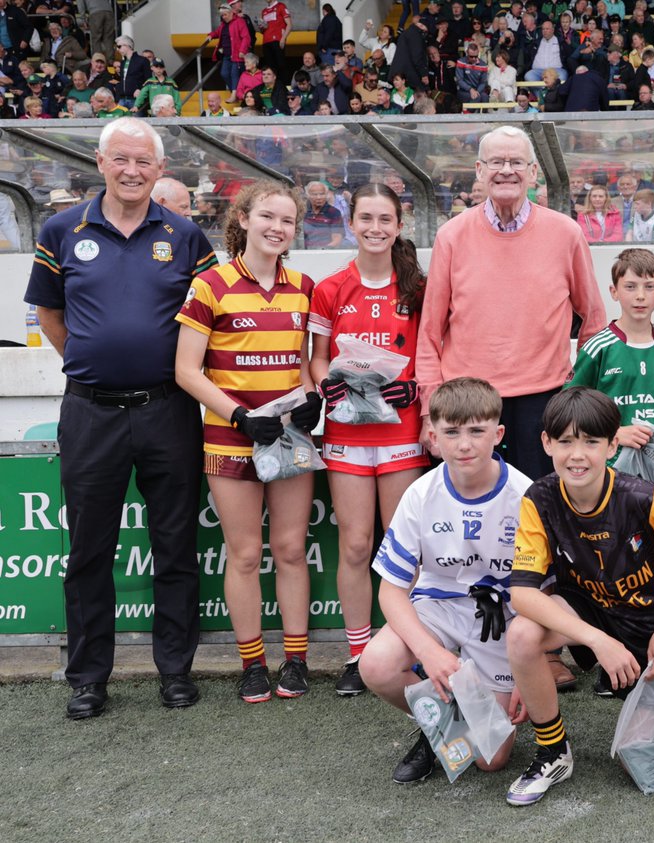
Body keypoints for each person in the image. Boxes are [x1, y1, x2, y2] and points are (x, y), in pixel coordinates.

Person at [24, 117, 218, 719]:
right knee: (87, 550)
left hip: (169, 411)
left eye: (144, 162)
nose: (132, 171)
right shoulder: (61, 229)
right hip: (90, 413)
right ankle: (87, 677)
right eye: (121, 160)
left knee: (175, 544)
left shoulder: (186, 236)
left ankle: (175, 671)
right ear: (101, 163)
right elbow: (51, 318)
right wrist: (95, 362)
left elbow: (208, 324)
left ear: (160, 170)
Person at [504, 387, 654, 806]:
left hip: (645, 624)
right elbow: (522, 593)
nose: (578, 455)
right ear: (546, 443)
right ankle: (553, 751)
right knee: (522, 635)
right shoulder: (539, 498)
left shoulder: (644, 496)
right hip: (587, 610)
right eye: (565, 442)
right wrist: (597, 639)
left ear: (613, 445)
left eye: (591, 442)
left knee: (646, 764)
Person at [175, 179, 323, 704]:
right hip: (231, 439)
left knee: (288, 549)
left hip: (288, 440)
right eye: (267, 217)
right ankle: (252, 662)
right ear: (242, 219)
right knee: (242, 554)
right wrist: (239, 417)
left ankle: (297, 660)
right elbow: (186, 371)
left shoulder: (305, 286)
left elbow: (300, 363)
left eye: (287, 220)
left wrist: (312, 397)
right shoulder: (211, 285)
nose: (277, 228)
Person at [359, 377, 530, 782]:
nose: (464, 444)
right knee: (377, 664)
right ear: (433, 437)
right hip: (438, 609)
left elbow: (545, 593)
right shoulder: (420, 494)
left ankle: (443, 721)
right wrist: (427, 651)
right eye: (451, 433)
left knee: (492, 759)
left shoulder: (525, 494)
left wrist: (530, 667)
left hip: (501, 620)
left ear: (498, 433)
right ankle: (434, 725)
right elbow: (391, 589)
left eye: (476, 431)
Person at [416, 125, 606, 482]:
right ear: (479, 171)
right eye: (497, 161)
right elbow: (429, 333)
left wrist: (578, 391)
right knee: (470, 514)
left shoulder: (566, 233)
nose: (506, 170)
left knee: (538, 509)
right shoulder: (451, 236)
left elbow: (593, 318)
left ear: (533, 172)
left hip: (544, 401)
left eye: (517, 161)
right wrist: (430, 409)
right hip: (467, 403)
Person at [308, 183, 430, 696]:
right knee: (357, 545)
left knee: (404, 548)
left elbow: (430, 355)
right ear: (350, 223)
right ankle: (358, 654)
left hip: (402, 432)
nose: (376, 228)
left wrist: (415, 388)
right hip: (347, 434)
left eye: (386, 219)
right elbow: (315, 359)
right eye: (366, 218)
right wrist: (324, 383)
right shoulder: (331, 287)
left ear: (399, 226)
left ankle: (410, 647)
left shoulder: (418, 288)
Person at [567, 248, 654, 467]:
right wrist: (614, 432)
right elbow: (571, 407)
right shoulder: (598, 348)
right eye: (630, 286)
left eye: (649, 287)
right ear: (614, 291)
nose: (640, 296)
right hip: (611, 463)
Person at [303, 180, 344, 248]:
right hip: (304, 253)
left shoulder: (334, 213)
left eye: (322, 194)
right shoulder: (304, 212)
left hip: (326, 252)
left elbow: (337, 239)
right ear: (308, 195)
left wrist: (322, 251)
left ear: (326, 195)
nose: (318, 197)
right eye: (314, 194)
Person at [259, 0, 291, 73]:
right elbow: (262, 31)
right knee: (269, 67)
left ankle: (283, 83)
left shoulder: (281, 6)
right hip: (266, 42)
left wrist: (283, 38)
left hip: (277, 40)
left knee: (281, 65)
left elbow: (289, 24)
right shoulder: (264, 11)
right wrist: (261, 27)